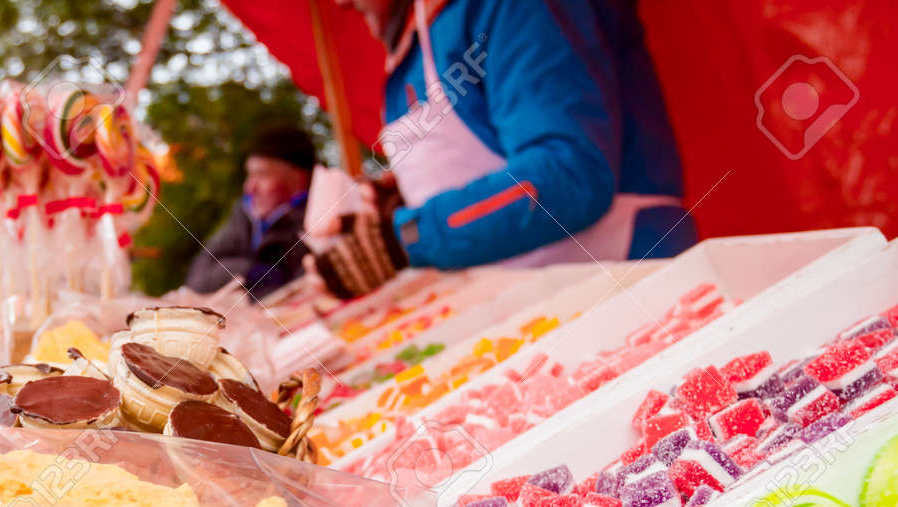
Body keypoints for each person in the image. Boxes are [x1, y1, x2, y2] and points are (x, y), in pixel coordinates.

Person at [335, 0, 697, 270]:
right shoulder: (408, 58)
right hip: (536, 312)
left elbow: (567, 175)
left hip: (634, 281)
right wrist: (397, 205)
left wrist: (406, 237)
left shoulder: (506, 8)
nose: (340, 4)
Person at [185, 123, 316, 298]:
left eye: (262, 175)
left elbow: (302, 291)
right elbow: (197, 280)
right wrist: (250, 272)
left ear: (297, 180)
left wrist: (234, 276)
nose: (249, 187)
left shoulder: (320, 221)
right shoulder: (243, 214)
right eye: (250, 174)